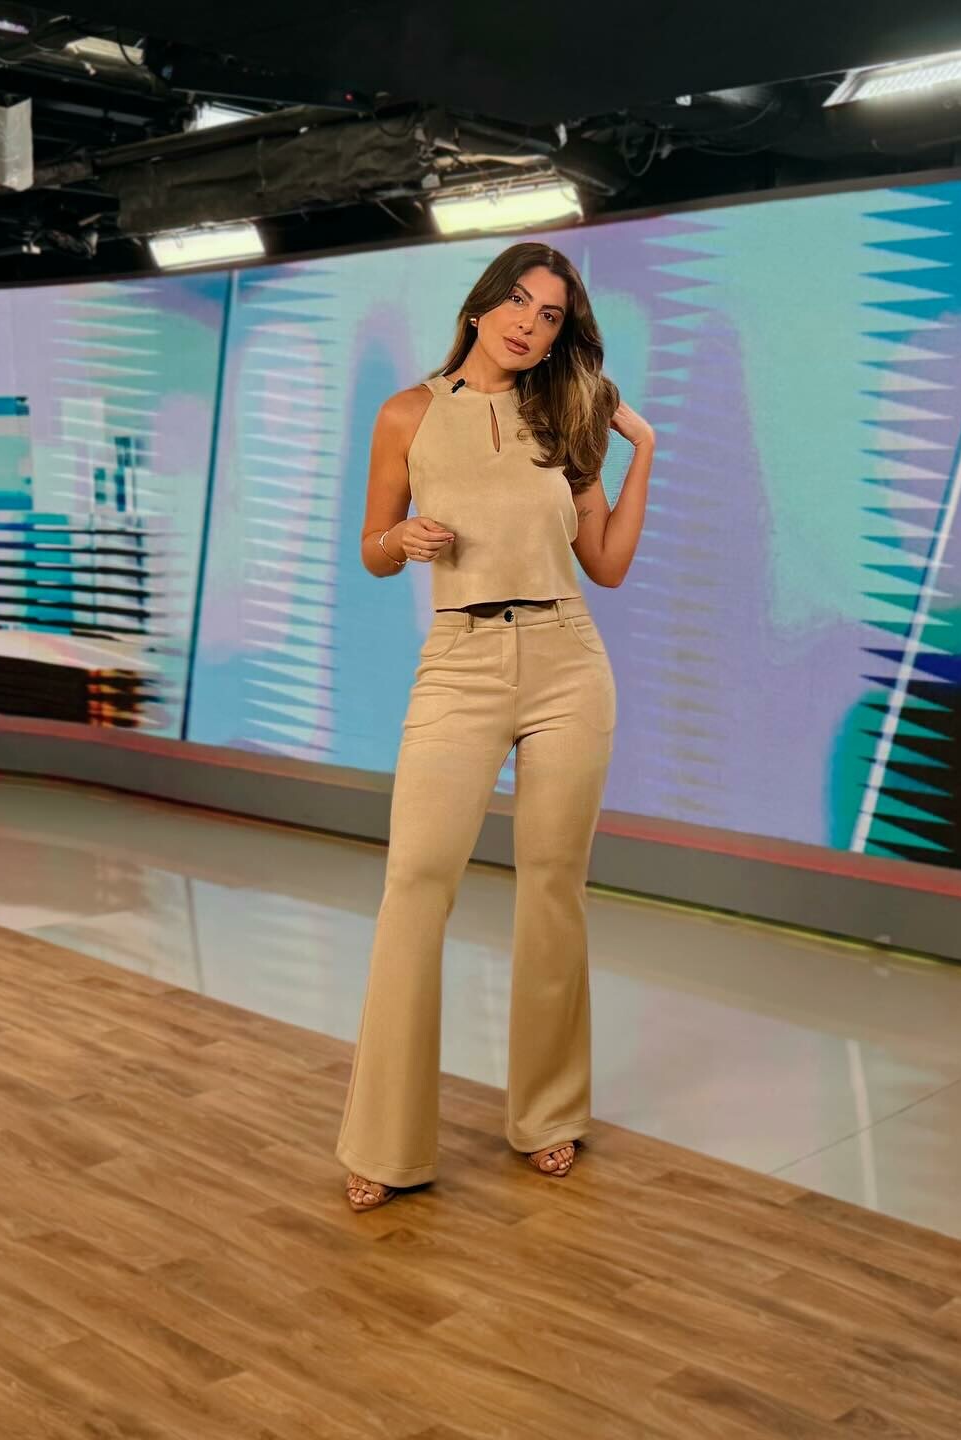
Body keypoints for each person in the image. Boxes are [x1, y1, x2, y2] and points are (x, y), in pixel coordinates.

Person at [338, 240, 654, 1211]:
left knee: (554, 888)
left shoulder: (566, 418)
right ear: (480, 307)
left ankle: (549, 1114)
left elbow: (607, 565)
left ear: (561, 334)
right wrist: (401, 537)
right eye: (518, 302)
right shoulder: (408, 413)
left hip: (567, 663)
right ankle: (384, 1141)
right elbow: (372, 548)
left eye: (551, 315)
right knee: (416, 883)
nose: (529, 323)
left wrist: (644, 451)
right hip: (460, 660)